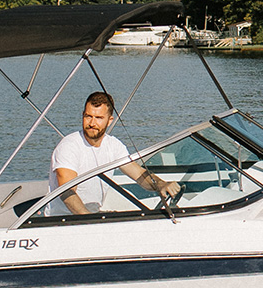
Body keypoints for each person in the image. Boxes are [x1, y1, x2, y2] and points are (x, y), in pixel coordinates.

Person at [51, 91, 179, 214]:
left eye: (99, 118)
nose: (92, 123)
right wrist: (86, 217)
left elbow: (139, 175)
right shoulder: (69, 146)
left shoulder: (114, 145)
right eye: (88, 116)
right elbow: (67, 191)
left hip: (93, 215)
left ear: (110, 120)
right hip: (63, 220)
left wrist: (161, 184)